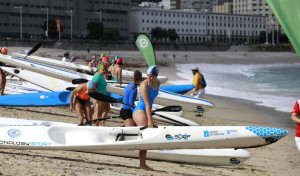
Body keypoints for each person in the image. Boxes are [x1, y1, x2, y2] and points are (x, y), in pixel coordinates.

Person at [132, 65, 160, 170]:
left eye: (151, 76)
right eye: (147, 75)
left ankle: (142, 163)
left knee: (145, 137)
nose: (148, 78)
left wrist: (150, 112)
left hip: (147, 110)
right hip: (139, 111)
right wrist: (150, 121)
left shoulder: (158, 83)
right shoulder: (144, 85)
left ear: (156, 76)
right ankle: (142, 164)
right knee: (146, 135)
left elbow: (150, 101)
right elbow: (146, 104)